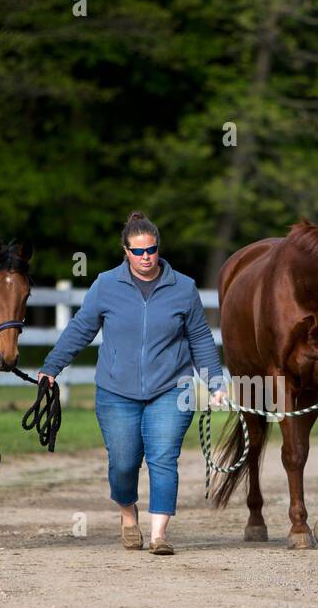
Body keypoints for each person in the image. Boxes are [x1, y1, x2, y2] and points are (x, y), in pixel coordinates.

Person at [38, 211, 227, 555]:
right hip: (116, 390)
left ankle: (159, 535)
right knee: (123, 463)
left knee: (163, 457)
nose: (146, 257)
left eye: (151, 250)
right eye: (138, 252)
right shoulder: (106, 285)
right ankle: (128, 514)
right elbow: (82, 328)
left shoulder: (182, 288)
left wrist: (215, 383)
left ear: (158, 247)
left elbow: (200, 338)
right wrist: (53, 366)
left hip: (172, 388)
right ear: (125, 251)